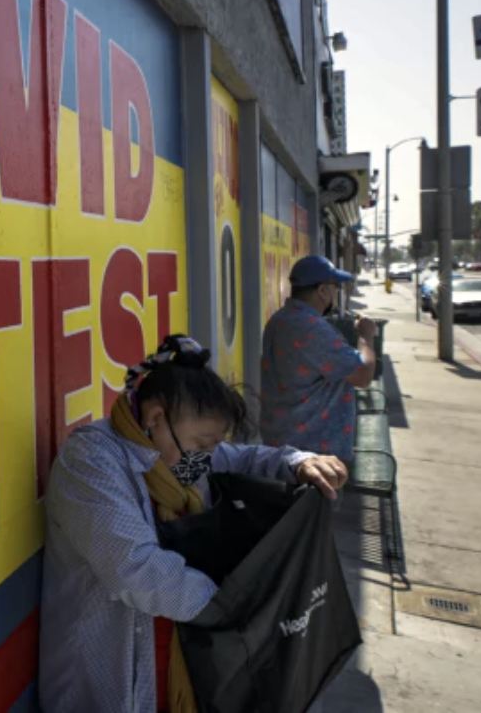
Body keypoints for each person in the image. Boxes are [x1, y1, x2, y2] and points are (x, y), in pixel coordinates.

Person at [38, 336, 348, 713]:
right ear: (156, 419)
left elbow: (243, 458)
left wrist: (296, 462)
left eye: (214, 446)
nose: (207, 458)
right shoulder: (91, 461)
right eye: (202, 444)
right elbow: (136, 570)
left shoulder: (176, 457)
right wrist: (237, 610)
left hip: (177, 673)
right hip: (113, 687)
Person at [260, 255, 378, 463]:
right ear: (322, 290)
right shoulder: (312, 328)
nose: (337, 292)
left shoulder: (280, 319)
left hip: (284, 443)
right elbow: (363, 375)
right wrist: (365, 335)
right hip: (313, 455)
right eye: (335, 287)